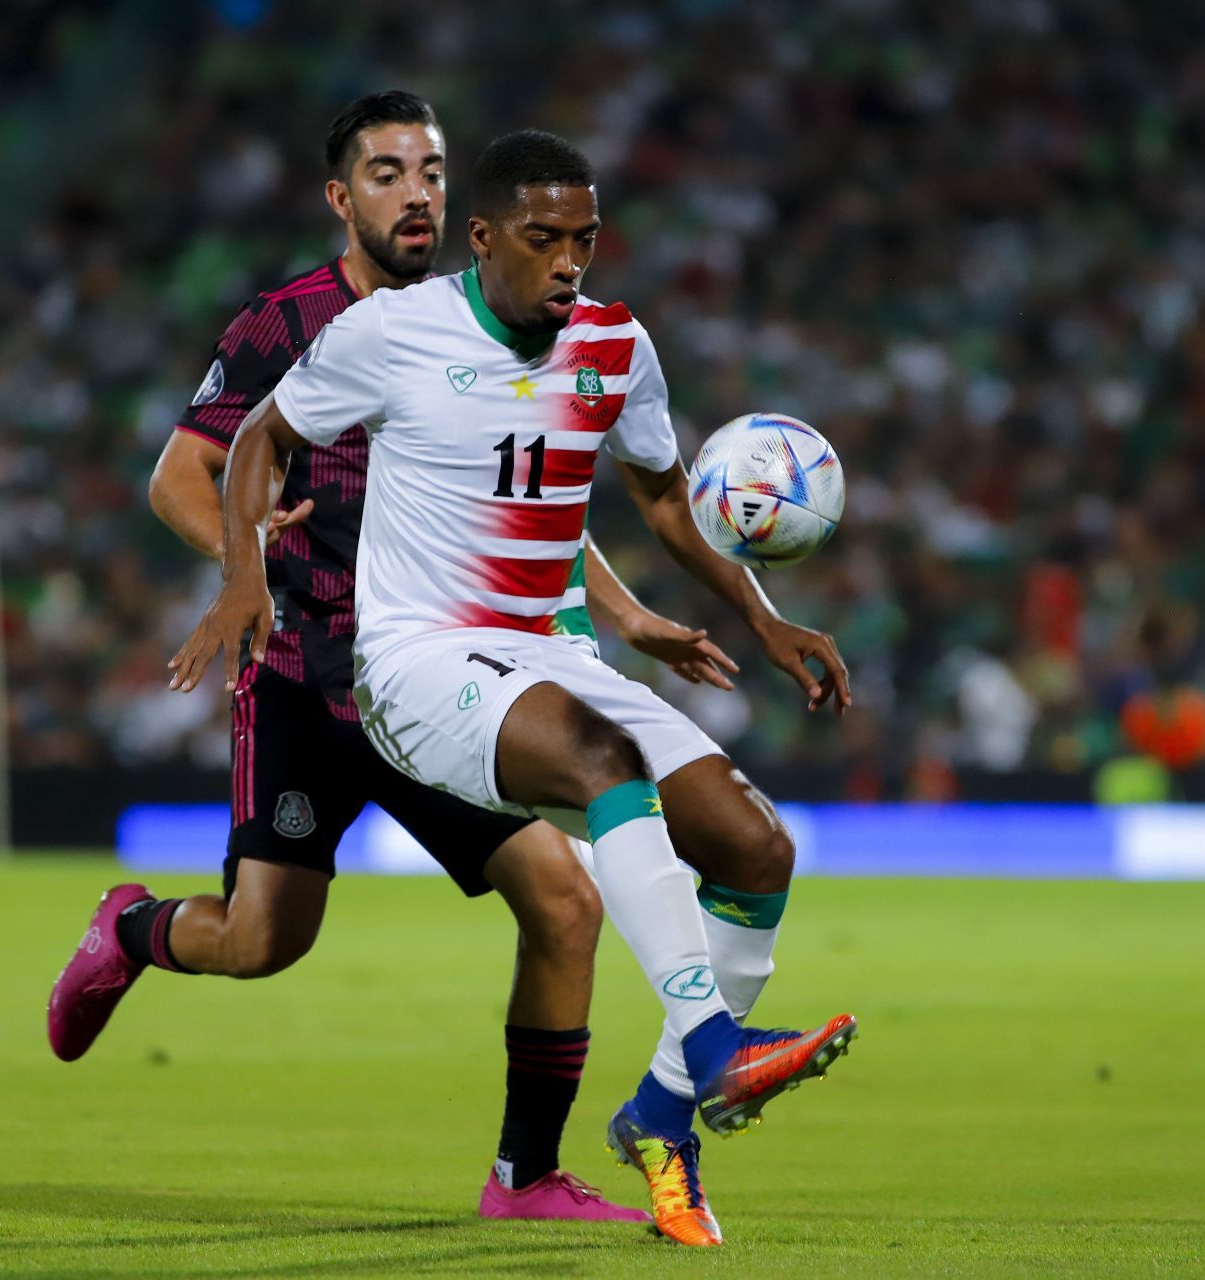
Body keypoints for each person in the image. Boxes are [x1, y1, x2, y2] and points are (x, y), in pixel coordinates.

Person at [48, 94, 734, 1226]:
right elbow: (184, 474)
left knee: (563, 900)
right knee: (262, 939)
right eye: (385, 173)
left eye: (429, 169)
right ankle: (127, 928)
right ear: (341, 197)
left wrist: (618, 605)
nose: (414, 191)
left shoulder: (495, 316)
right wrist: (244, 565)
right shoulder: (285, 324)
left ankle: (525, 1178)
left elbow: (538, 502)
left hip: (450, 676)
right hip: (306, 676)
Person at [171, 129, 858, 1247]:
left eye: (585, 240)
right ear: (484, 237)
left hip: (546, 653)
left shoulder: (617, 345)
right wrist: (244, 573)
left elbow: (666, 497)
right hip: (412, 660)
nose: (569, 264)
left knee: (755, 846)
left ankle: (659, 1111)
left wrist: (763, 616)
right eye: (544, 241)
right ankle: (712, 1043)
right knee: (602, 765)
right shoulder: (392, 332)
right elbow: (257, 437)